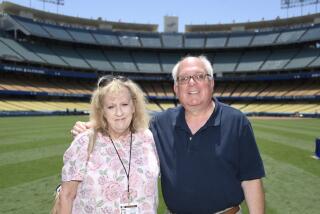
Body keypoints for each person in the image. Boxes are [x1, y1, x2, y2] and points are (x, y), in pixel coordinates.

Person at [71, 56, 265, 214]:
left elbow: (251, 179)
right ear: (175, 89)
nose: (191, 83)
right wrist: (92, 126)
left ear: (211, 82)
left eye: (199, 76)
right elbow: (124, 125)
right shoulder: (159, 123)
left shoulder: (237, 121)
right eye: (183, 79)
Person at [59, 75, 159, 213]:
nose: (119, 113)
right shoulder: (85, 141)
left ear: (134, 107)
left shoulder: (147, 137)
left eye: (124, 104)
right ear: (102, 111)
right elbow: (67, 195)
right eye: (111, 107)